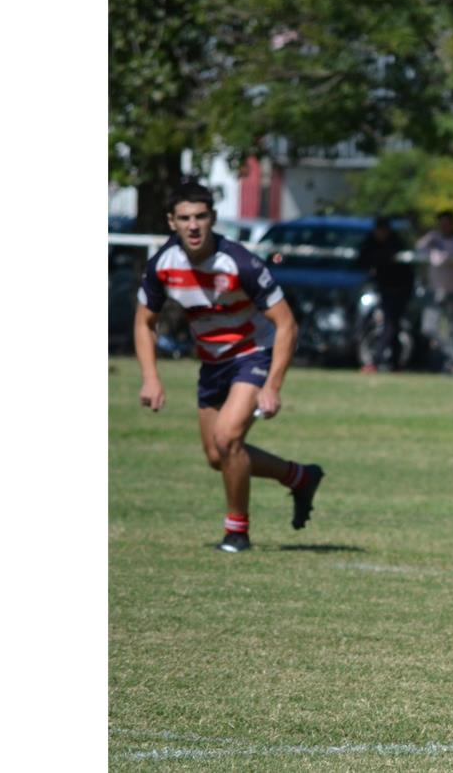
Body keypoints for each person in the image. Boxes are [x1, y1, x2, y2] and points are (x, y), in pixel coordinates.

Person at [134, 182, 325, 553]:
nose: (193, 226)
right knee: (215, 455)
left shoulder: (240, 263)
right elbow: (144, 321)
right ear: (171, 221)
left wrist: (272, 385)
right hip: (212, 363)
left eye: (201, 217)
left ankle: (236, 531)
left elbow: (287, 323)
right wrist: (150, 377)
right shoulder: (163, 265)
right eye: (185, 218)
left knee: (228, 438)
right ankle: (299, 477)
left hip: (254, 353)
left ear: (213, 219)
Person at [357, 217, 414, 373]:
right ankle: (394, 363)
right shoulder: (372, 243)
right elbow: (361, 258)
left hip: (401, 288)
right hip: (385, 288)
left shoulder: (395, 244)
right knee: (392, 325)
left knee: (391, 324)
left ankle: (377, 361)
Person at [415, 210, 453, 370]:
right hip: (435, 291)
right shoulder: (434, 239)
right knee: (429, 327)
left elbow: (447, 257)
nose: (445, 227)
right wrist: (431, 237)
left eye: (448, 223)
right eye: (442, 224)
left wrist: (438, 253)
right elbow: (419, 248)